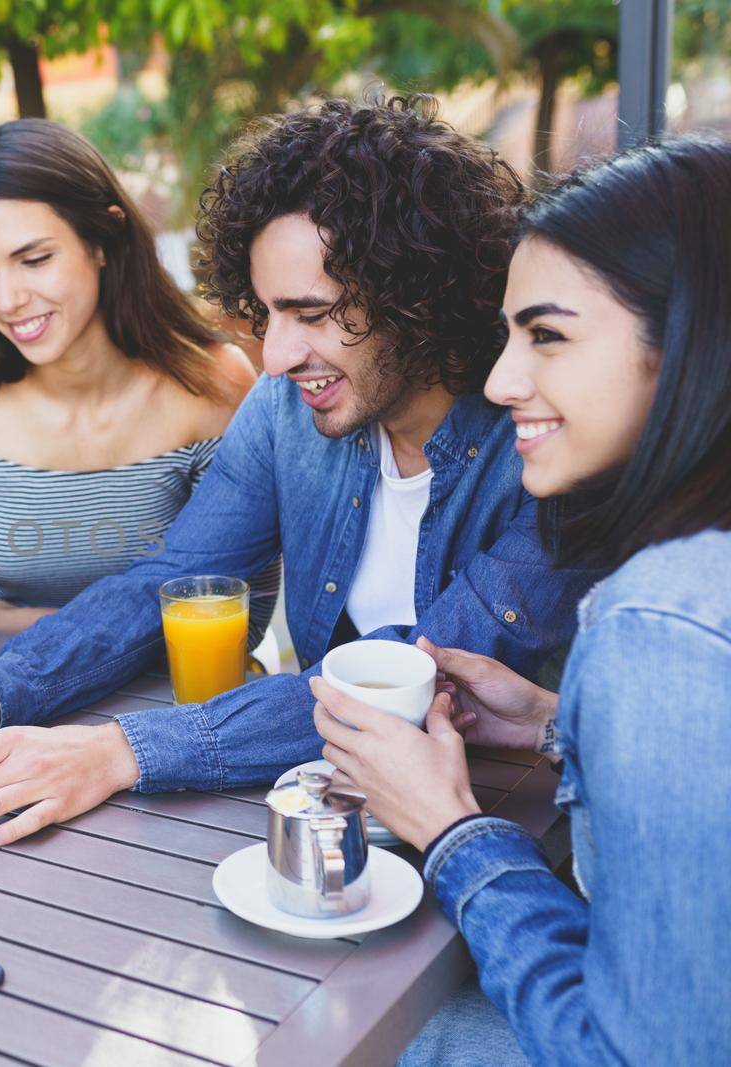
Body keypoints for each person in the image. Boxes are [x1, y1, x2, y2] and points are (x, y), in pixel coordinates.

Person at [0, 96, 598, 847]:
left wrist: (120, 749)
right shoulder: (287, 410)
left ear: (419, 296)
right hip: (339, 815)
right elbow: (171, 575)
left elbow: (404, 679)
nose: (276, 356)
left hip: (515, 834)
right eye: (266, 313)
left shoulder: (542, 448)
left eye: (312, 314)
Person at [314, 138, 731, 1065]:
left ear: (694, 342)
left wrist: (450, 828)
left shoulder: (659, 622)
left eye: (547, 334)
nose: (501, 382)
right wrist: (553, 724)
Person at [0, 118, 278, 638]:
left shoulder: (213, 383)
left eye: (34, 259)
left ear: (103, 238)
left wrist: (76, 640)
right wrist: (67, 632)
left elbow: (240, 608)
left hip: (167, 698)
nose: (6, 300)